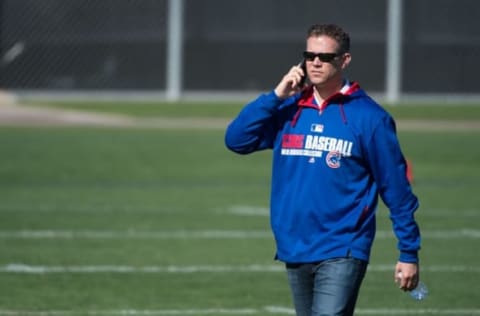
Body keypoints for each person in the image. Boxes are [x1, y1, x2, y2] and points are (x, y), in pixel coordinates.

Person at [224, 24, 421, 316]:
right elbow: (237, 140)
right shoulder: (289, 111)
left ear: (344, 60)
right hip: (295, 245)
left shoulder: (370, 118)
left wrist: (408, 252)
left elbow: (397, 190)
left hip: (344, 247)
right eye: (309, 55)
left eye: (325, 57)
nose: (315, 62)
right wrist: (276, 96)